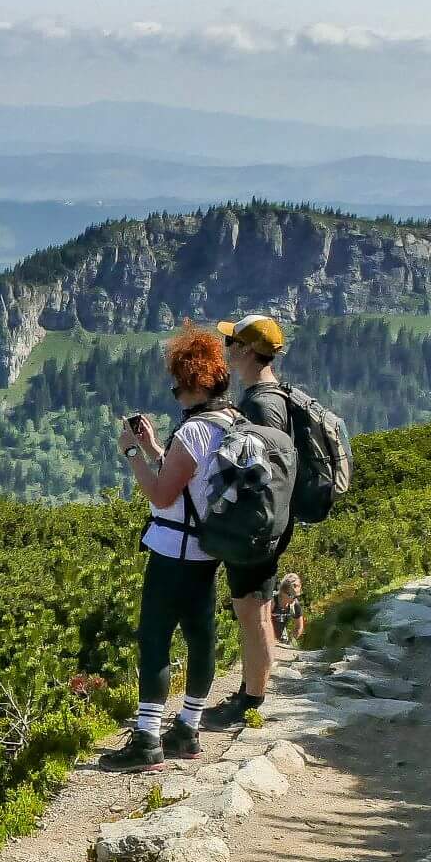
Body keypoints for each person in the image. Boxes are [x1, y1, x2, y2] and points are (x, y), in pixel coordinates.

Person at [108, 326, 235, 768]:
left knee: (156, 638)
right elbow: (192, 482)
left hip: (172, 551)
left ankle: (146, 740)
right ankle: (188, 728)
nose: (175, 392)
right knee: (201, 637)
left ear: (194, 383)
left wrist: (131, 454)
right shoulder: (230, 423)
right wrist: (155, 446)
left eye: (177, 385)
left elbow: (163, 494)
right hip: (209, 550)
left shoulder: (196, 431)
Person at [200, 313, 293, 728]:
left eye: (232, 343)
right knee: (259, 607)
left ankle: (250, 700)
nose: (226, 349)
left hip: (256, 526)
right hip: (272, 523)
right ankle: (252, 690)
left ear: (246, 351)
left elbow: (260, 473)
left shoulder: (260, 404)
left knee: (251, 612)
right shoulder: (277, 396)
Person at [272, 572, 304, 645]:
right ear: (283, 592)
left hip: (280, 638)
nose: (294, 599)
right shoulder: (272, 601)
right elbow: (262, 621)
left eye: (297, 596)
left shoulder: (295, 604)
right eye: (292, 596)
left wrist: (291, 641)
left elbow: (299, 626)